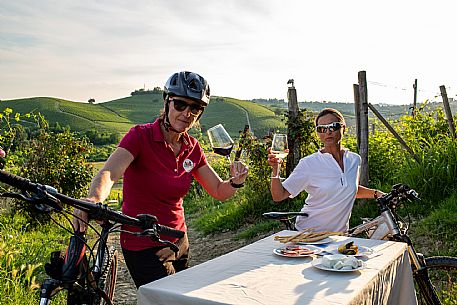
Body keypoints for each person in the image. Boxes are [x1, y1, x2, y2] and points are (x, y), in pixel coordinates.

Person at [73, 71, 248, 288]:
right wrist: (94, 198)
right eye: (180, 104)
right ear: (167, 102)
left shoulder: (192, 147)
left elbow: (219, 191)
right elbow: (109, 173)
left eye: (195, 108)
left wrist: (236, 181)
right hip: (143, 243)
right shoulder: (140, 136)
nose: (187, 113)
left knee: (181, 297)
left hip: (178, 239)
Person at [268, 108, 384, 233]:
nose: (328, 132)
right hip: (308, 235)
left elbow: (350, 189)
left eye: (333, 126)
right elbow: (279, 196)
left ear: (343, 128)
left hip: (339, 236)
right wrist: (276, 170)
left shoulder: (354, 160)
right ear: (318, 133)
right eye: (322, 129)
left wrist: (378, 194)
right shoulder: (309, 164)